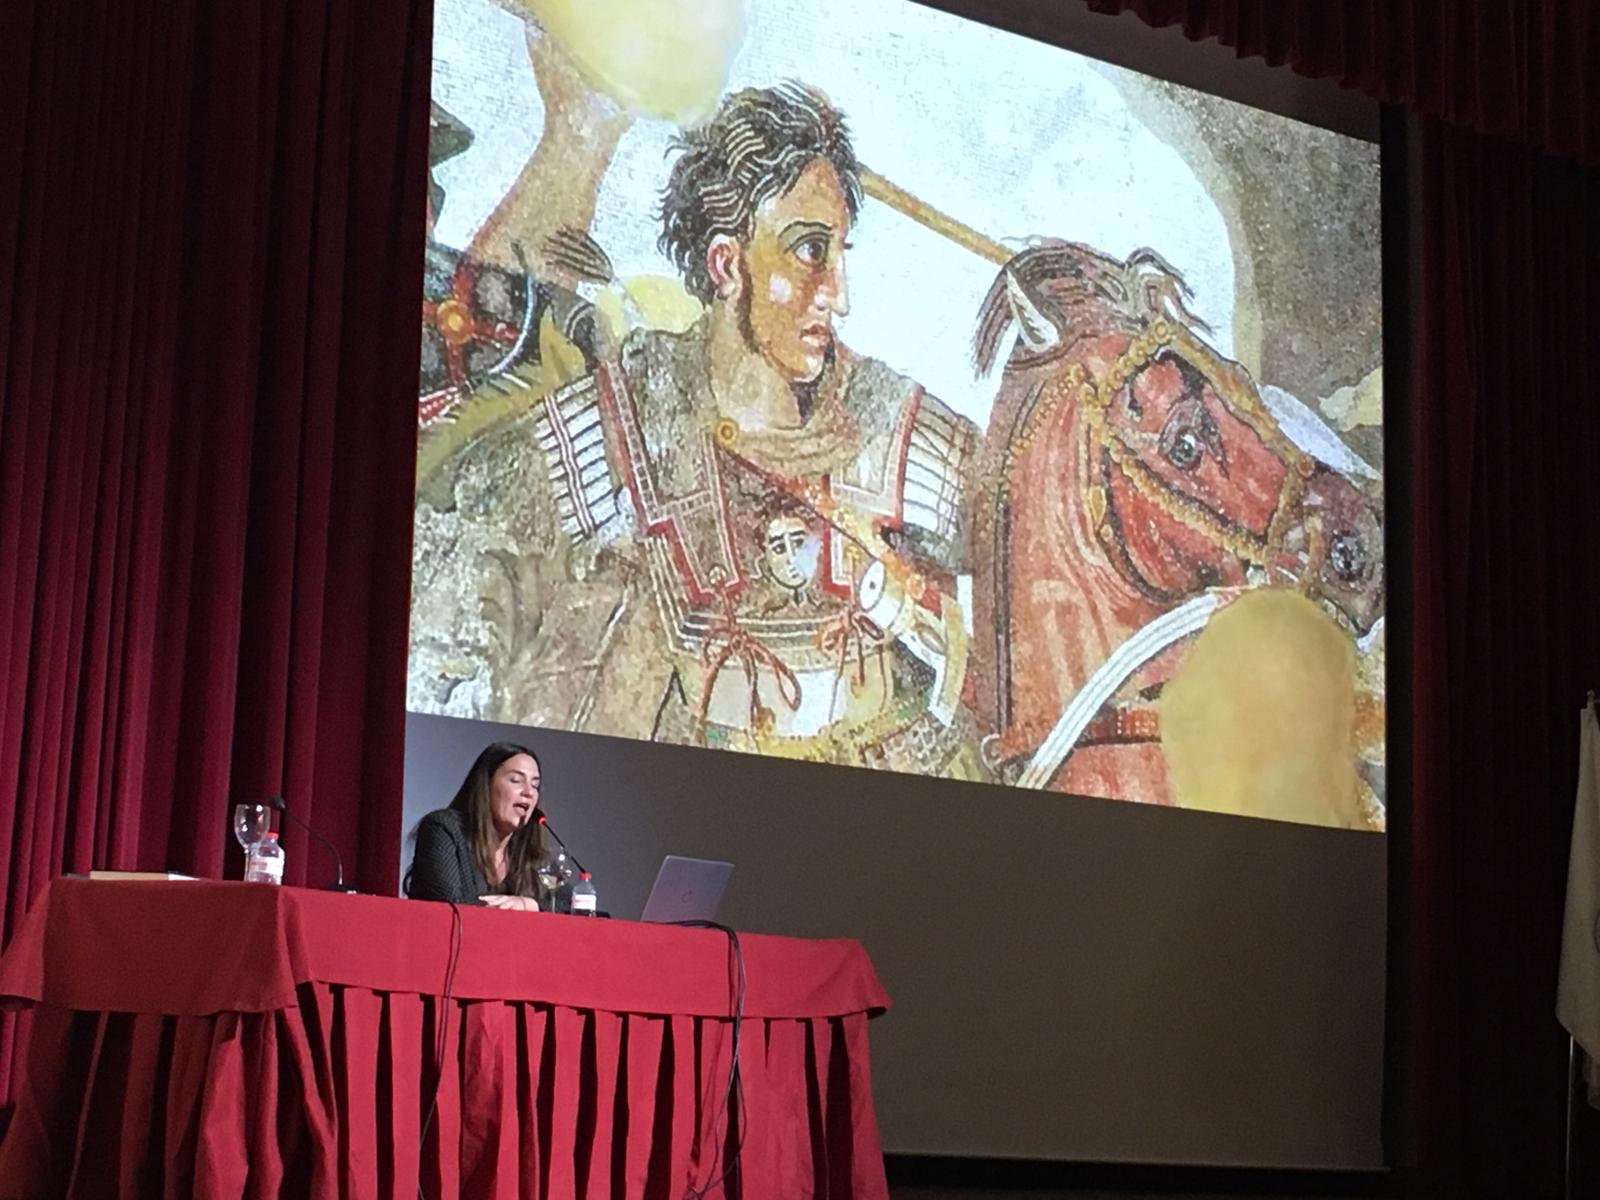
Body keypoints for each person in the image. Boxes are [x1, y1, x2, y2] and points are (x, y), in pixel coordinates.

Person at [410, 84, 986, 780]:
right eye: (810, 250)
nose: (839, 295)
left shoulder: (890, 420)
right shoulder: (624, 416)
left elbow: (1029, 528)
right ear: (726, 264)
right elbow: (459, 580)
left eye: (839, 252)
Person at [405, 742, 547, 909]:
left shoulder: (526, 849)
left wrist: (529, 904)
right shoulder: (443, 829)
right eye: (516, 780)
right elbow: (451, 903)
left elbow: (567, 901)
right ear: (486, 784)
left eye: (535, 785)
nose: (529, 792)